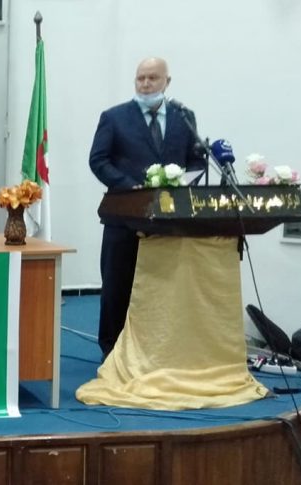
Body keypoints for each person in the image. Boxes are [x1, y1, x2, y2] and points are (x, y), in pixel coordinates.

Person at [88, 57, 206, 358]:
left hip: (169, 220)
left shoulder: (184, 117)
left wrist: (183, 183)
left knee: (163, 288)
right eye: (140, 78)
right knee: (117, 287)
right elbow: (98, 160)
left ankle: (158, 351)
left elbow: (196, 160)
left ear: (167, 81)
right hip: (123, 217)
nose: (145, 84)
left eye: (152, 78)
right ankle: (112, 352)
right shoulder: (114, 117)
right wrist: (130, 186)